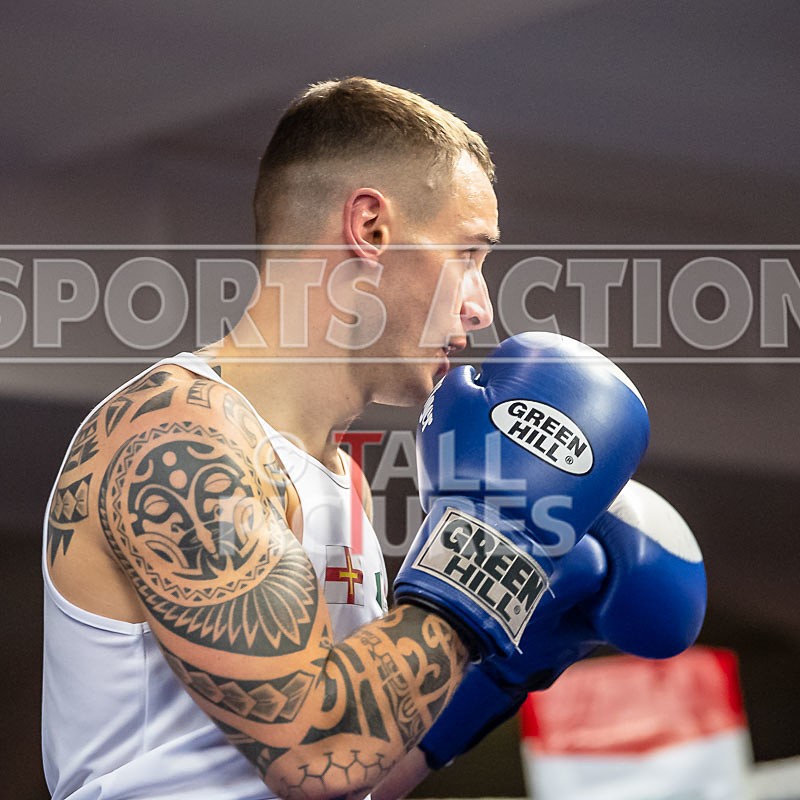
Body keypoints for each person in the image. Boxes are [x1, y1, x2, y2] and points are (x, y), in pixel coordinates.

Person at [41, 77, 699, 800]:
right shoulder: (177, 438)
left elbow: (350, 770)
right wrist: (492, 553)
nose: (480, 308)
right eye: (468, 255)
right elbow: (310, 751)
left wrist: (503, 670)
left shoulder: (336, 477)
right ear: (371, 230)